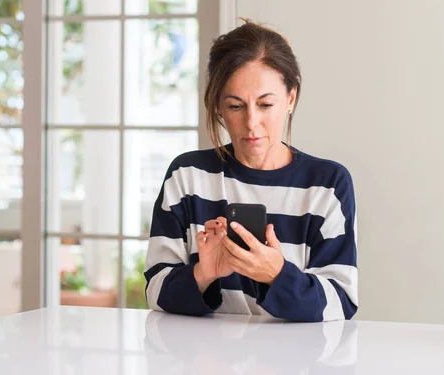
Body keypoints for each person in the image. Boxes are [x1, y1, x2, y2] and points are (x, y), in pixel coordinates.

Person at [144, 19, 358, 322]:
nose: (251, 123)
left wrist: (275, 274)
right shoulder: (186, 176)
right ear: (218, 106)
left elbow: (342, 301)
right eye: (235, 106)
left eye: (265, 104)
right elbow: (155, 289)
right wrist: (204, 274)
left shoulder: (327, 185)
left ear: (290, 99)